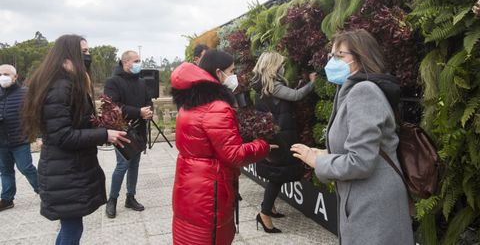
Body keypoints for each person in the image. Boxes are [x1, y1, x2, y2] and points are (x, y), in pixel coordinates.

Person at [290, 29, 414, 245]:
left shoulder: (363, 91)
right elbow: (362, 149)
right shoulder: (349, 91)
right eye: (331, 55)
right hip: (365, 199)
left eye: (340, 55)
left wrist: (318, 161)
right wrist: (328, 154)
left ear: (361, 57)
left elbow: (361, 162)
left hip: (374, 205)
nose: (332, 61)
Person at [21, 34, 129, 245]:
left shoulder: (66, 83)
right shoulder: (61, 88)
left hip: (69, 168)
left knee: (70, 226)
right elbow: (63, 135)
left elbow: (75, 125)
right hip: (64, 170)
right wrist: (104, 134)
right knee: (72, 228)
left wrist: (103, 128)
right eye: (84, 52)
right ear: (68, 56)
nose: (88, 56)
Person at [171, 49, 276, 245]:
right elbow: (233, 154)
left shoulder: (189, 104)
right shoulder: (217, 107)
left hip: (189, 185)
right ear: (219, 73)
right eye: (232, 70)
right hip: (210, 191)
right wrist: (263, 145)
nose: (234, 75)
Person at [250, 51, 316, 233]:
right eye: (281, 64)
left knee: (275, 174)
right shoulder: (274, 87)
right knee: (277, 177)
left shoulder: (261, 86)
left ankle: (268, 207)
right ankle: (264, 213)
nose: (283, 67)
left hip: (273, 135)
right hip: (281, 137)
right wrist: (312, 83)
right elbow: (296, 95)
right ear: (274, 67)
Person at [104, 50, 153, 219]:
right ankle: (112, 200)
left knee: (134, 165)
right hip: (122, 130)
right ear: (125, 63)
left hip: (139, 130)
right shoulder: (113, 82)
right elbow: (114, 107)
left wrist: (148, 111)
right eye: (136, 60)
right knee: (122, 165)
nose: (139, 63)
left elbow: (149, 101)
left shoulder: (141, 82)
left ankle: (130, 197)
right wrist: (138, 112)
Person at [0, 64, 39, 211]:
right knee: (5, 170)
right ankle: (7, 199)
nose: (2, 77)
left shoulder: (25, 93)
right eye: (0, 74)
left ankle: (43, 191)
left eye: (6, 74)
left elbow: (35, 114)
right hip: (2, 141)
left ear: (15, 77)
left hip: (20, 139)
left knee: (26, 168)